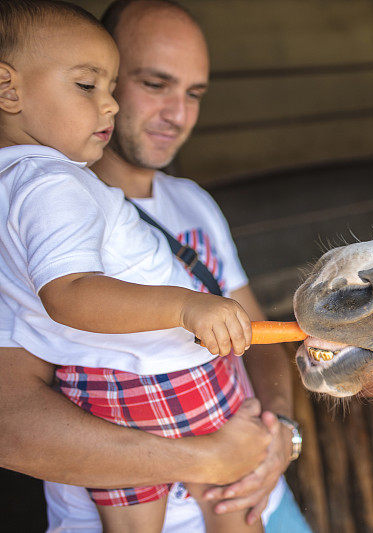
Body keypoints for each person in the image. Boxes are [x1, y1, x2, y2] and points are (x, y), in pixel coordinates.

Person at [0, 0, 309, 531]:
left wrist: (280, 433)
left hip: (260, 491)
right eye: (154, 84)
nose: (179, 114)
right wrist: (206, 460)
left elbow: (257, 338)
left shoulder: (191, 201)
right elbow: (9, 423)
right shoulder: (37, 203)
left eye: (193, 94)